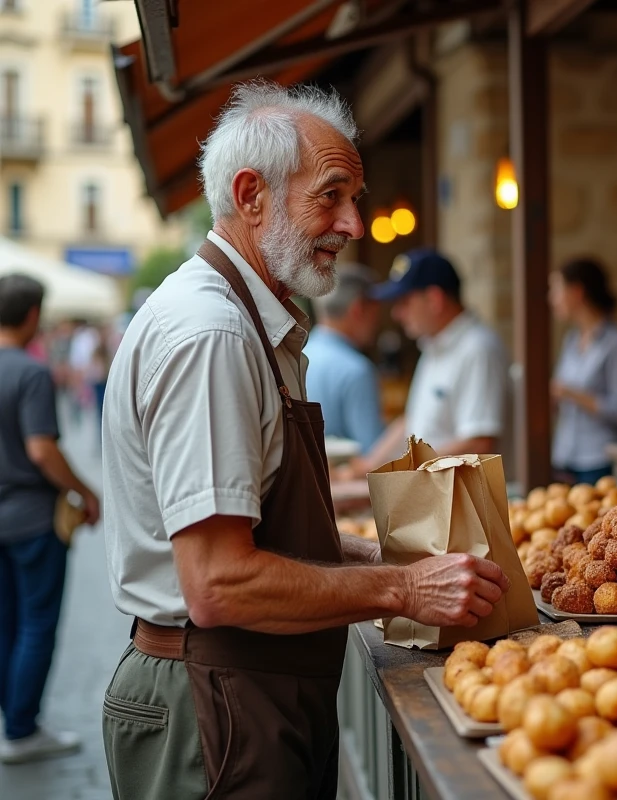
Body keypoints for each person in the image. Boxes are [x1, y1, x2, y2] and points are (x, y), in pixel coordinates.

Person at [100, 82, 507, 799]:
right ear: (251, 194)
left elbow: (263, 535)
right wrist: (406, 585)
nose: (354, 224)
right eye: (332, 195)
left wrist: (389, 553)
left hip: (246, 690)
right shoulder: (213, 335)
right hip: (213, 705)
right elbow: (220, 583)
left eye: (357, 197)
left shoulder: (256, 321)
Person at [0, 274, 100, 764]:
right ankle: (21, 729)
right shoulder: (31, 372)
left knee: (5, 623)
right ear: (34, 315)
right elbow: (42, 450)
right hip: (33, 520)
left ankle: (12, 719)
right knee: (37, 624)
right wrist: (86, 492)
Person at [362, 248, 509, 465]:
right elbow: (412, 421)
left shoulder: (477, 348)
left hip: (461, 496)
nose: (397, 314)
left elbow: (479, 443)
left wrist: (402, 471)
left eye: (404, 302)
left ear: (434, 300)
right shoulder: (434, 345)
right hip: (436, 491)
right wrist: (366, 466)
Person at [548, 258, 617, 485]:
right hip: (565, 457)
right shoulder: (571, 340)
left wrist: (571, 393)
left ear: (577, 292)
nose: (551, 299)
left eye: (556, 290)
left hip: (599, 461)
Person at [304, 264, 385, 451]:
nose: (377, 322)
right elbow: (371, 450)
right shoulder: (357, 370)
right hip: (342, 479)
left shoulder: (299, 355)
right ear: (358, 310)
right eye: (375, 312)